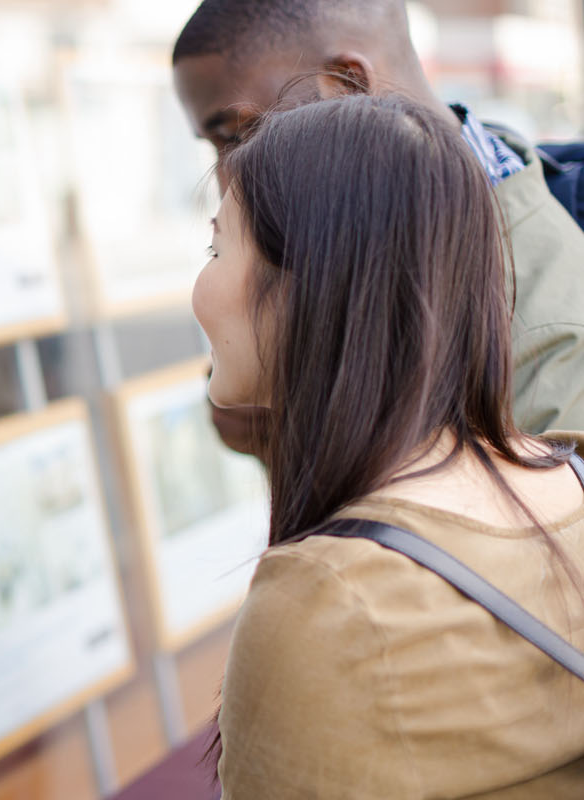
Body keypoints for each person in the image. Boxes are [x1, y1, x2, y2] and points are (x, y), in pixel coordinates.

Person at [195, 92, 584, 797]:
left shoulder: (327, 600)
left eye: (217, 246)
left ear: (310, 282)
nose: (199, 284)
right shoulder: (573, 473)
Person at [173, 0, 584, 453]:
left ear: (348, 85)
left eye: (239, 133)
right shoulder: (361, 245)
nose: (226, 177)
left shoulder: (544, 324)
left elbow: (519, 520)